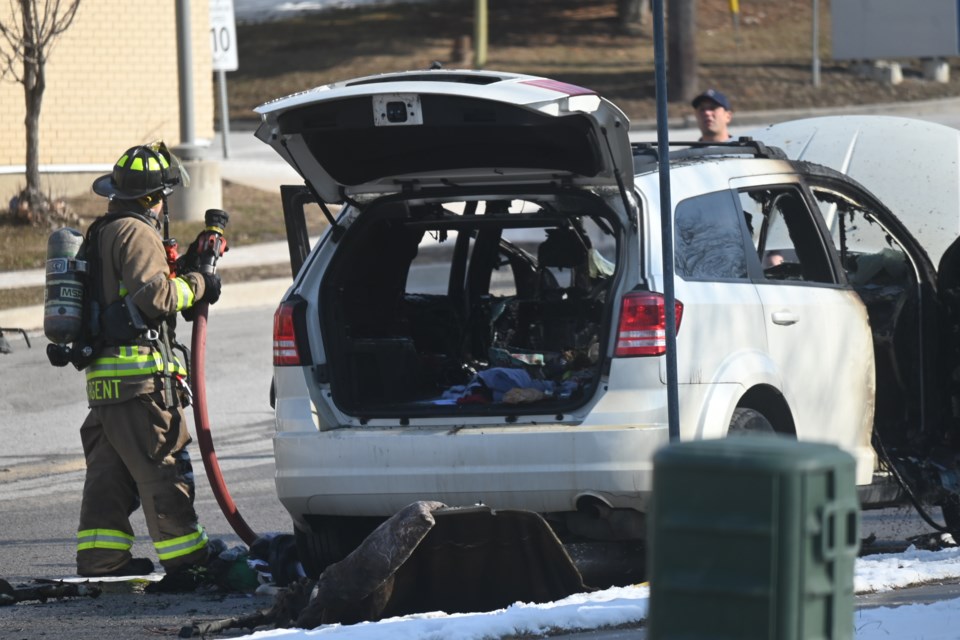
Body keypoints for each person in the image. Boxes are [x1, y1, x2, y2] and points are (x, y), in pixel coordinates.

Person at [75, 141, 221, 592]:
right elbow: (155, 297)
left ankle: (101, 556)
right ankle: (188, 560)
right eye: (162, 196)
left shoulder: (101, 230)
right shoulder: (136, 233)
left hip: (105, 380)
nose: (163, 205)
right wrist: (200, 282)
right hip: (138, 381)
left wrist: (185, 269)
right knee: (163, 466)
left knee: (110, 472)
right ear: (152, 198)